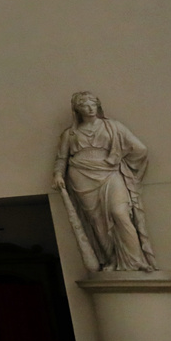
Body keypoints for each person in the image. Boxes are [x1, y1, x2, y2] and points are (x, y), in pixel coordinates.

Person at [53, 91, 156, 271]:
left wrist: (119, 159)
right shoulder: (70, 134)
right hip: (81, 176)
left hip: (110, 173)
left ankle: (136, 260)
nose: (90, 107)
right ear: (77, 109)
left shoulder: (113, 126)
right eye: (85, 105)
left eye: (93, 103)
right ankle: (111, 260)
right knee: (96, 221)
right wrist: (58, 175)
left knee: (120, 213)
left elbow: (140, 148)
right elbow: (62, 158)